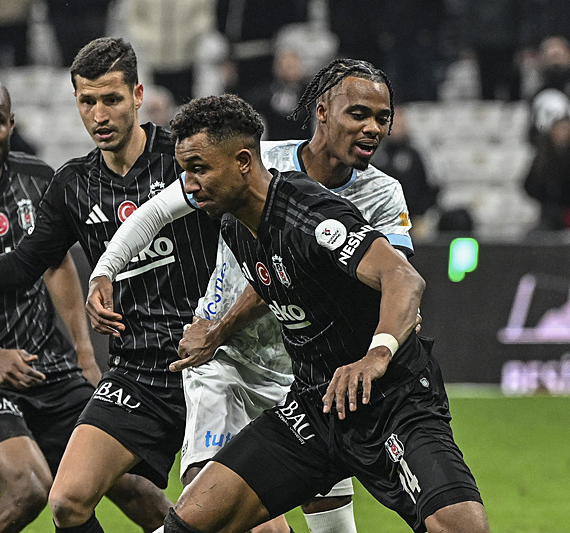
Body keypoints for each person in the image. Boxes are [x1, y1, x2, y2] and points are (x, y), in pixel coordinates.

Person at [88, 59, 416, 533]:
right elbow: (155, 212)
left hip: (304, 375)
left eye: (381, 119)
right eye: (358, 114)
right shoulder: (255, 161)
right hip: (222, 359)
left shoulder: (383, 196)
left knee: (334, 527)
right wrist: (104, 272)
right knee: (211, 512)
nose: (372, 128)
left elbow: (388, 278)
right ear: (322, 112)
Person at [0, 38, 221, 533]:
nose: (99, 114)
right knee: (68, 500)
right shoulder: (73, 185)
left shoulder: (184, 160)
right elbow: (24, 265)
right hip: (138, 373)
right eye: (87, 101)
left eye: (112, 99)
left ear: (138, 96)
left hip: (211, 364)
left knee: (234, 519)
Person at [159, 93, 490, 533]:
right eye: (186, 171)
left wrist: (376, 355)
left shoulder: (311, 214)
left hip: (392, 402)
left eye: (199, 169)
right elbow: (271, 283)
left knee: (461, 528)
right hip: (317, 405)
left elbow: (404, 278)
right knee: (191, 520)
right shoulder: (235, 224)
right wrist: (220, 330)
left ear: (242, 161)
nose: (190, 184)